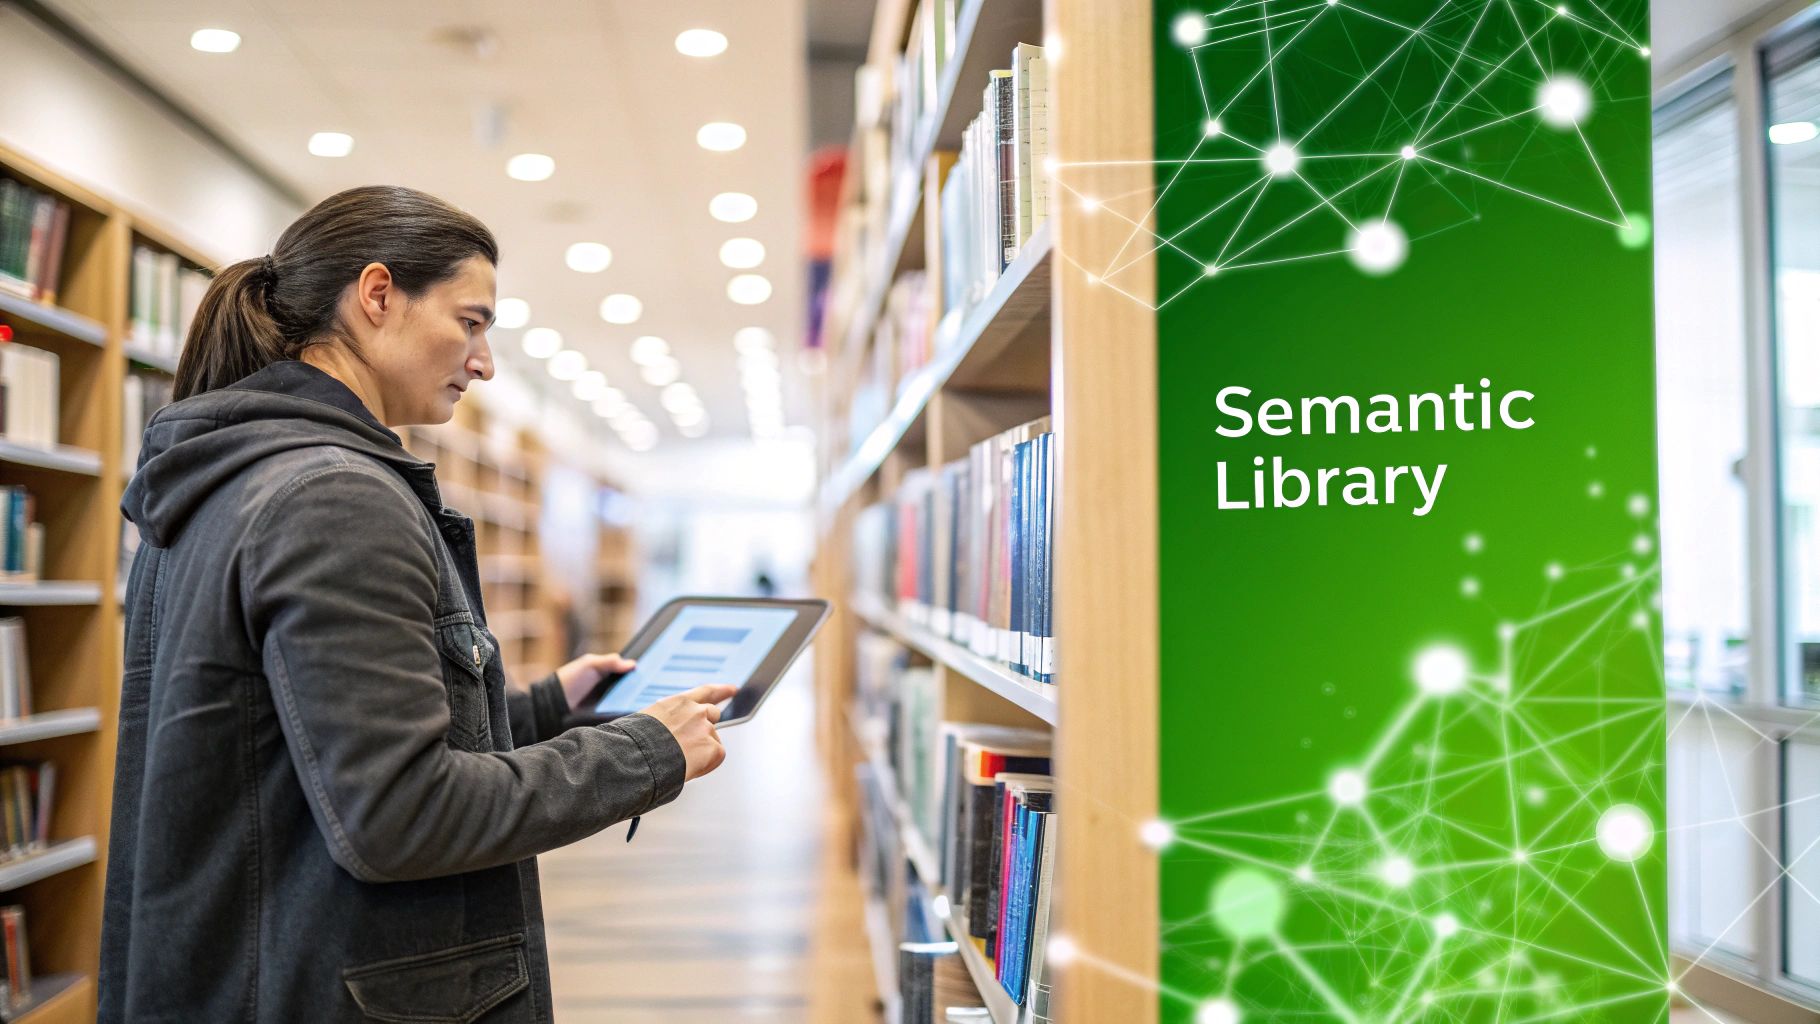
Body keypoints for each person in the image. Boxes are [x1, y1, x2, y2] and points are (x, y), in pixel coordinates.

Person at [100, 185, 732, 1023]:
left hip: (233, 969)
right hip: (324, 982)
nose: (484, 361)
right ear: (376, 296)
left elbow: (300, 732)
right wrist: (646, 755)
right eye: (471, 322)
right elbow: (401, 813)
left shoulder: (220, 477)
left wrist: (546, 706)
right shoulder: (334, 497)